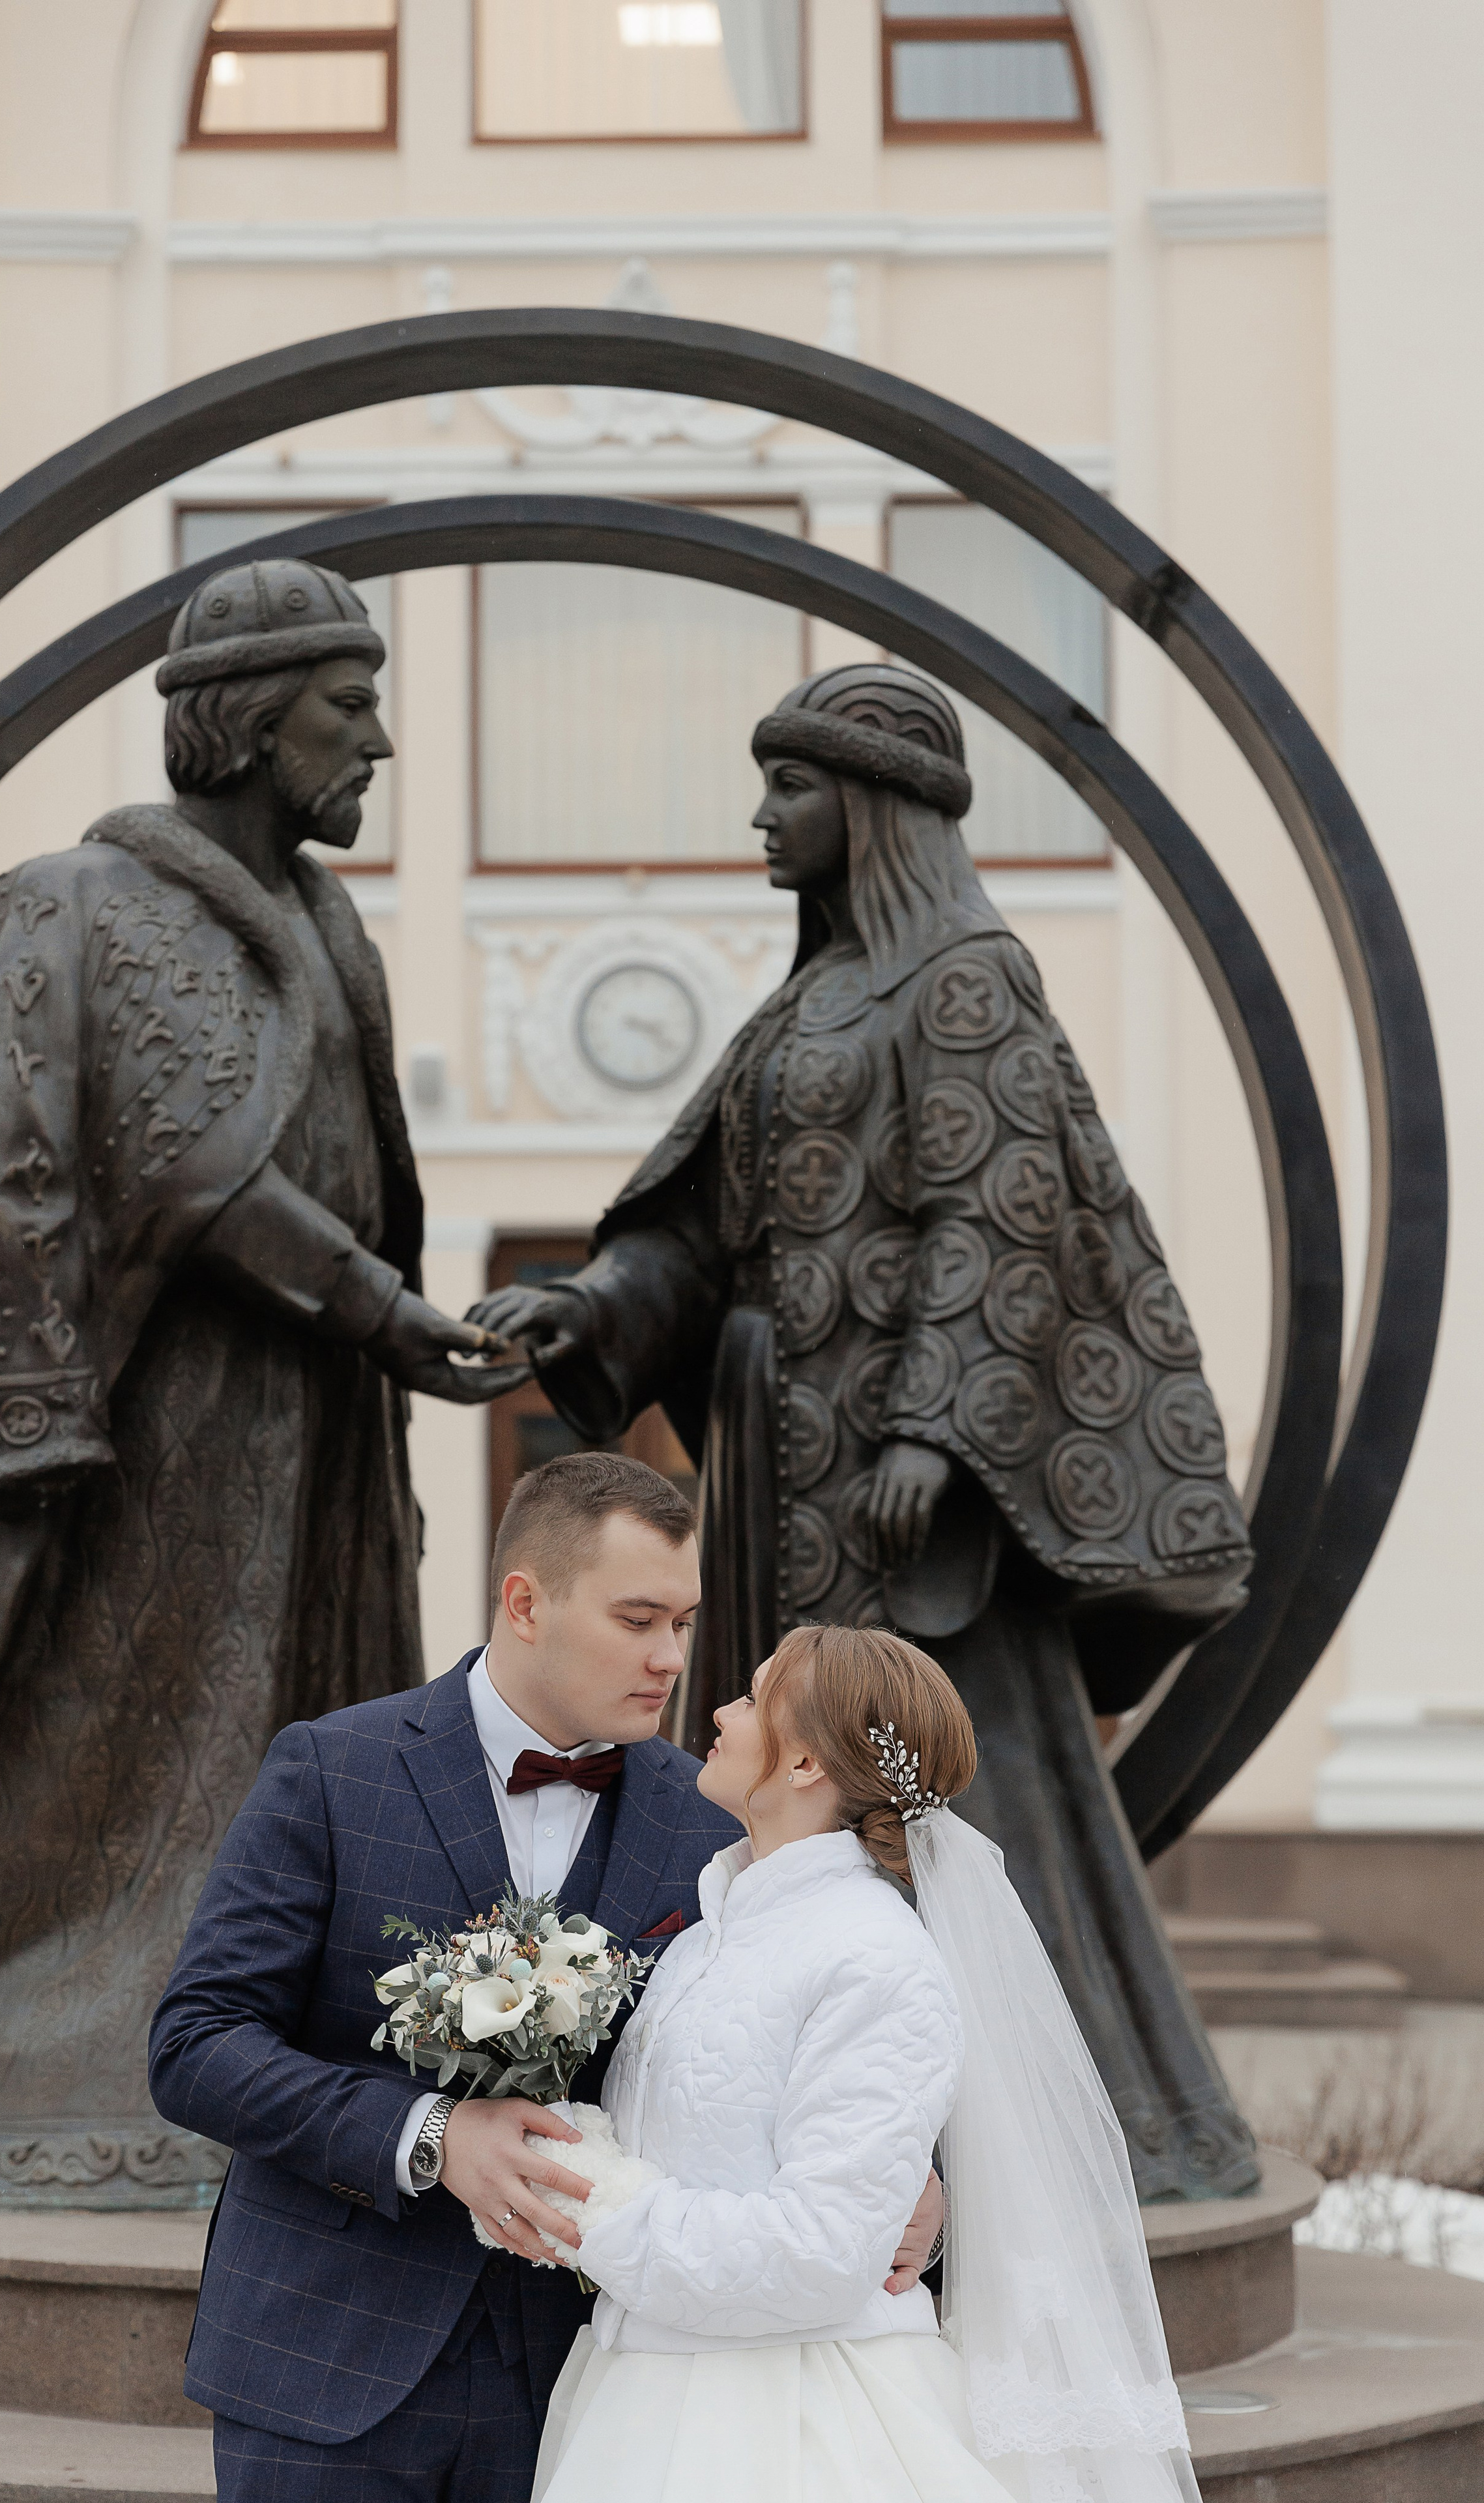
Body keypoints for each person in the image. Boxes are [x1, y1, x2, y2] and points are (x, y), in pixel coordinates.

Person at [471, 663, 1258, 2203]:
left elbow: (1004, 1211)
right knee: (799, 1777)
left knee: (947, 1783)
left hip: (910, 1492)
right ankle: (795, 2107)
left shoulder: (964, 974)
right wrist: (596, 1306)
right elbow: (705, 1235)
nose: (761, 816)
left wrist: (940, 1430)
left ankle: (1069, 2137)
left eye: (790, 788)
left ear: (873, 806)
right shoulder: (808, 1000)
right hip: (776, 1454)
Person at [0, 557, 519, 2202]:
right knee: (143, 1748)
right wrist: (382, 1310)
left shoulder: (327, 921)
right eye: (349, 707)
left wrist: (385, 1328)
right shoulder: (87, 898)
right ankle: (67, 2065)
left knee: (299, 1731)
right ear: (247, 718)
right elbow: (179, 1164)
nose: (379, 744)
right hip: (156, 1431)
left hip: (321, 1421)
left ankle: (295, 2042)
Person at [147, 1452, 949, 2503]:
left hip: (597, 2389)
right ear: (525, 1603)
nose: (671, 1659)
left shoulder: (718, 1817)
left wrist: (918, 2188)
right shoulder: (332, 1769)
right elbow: (197, 2043)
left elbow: (817, 2032)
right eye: (637, 1619)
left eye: (683, 1622)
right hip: (329, 2360)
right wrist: (427, 2136)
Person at [535, 1623, 1201, 2503]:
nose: (722, 1711)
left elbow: (819, 2253)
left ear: (806, 1764)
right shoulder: (707, 1938)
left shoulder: (876, 1960)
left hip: (799, 2424)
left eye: (752, 1696)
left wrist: (595, 2211)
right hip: (641, 2388)